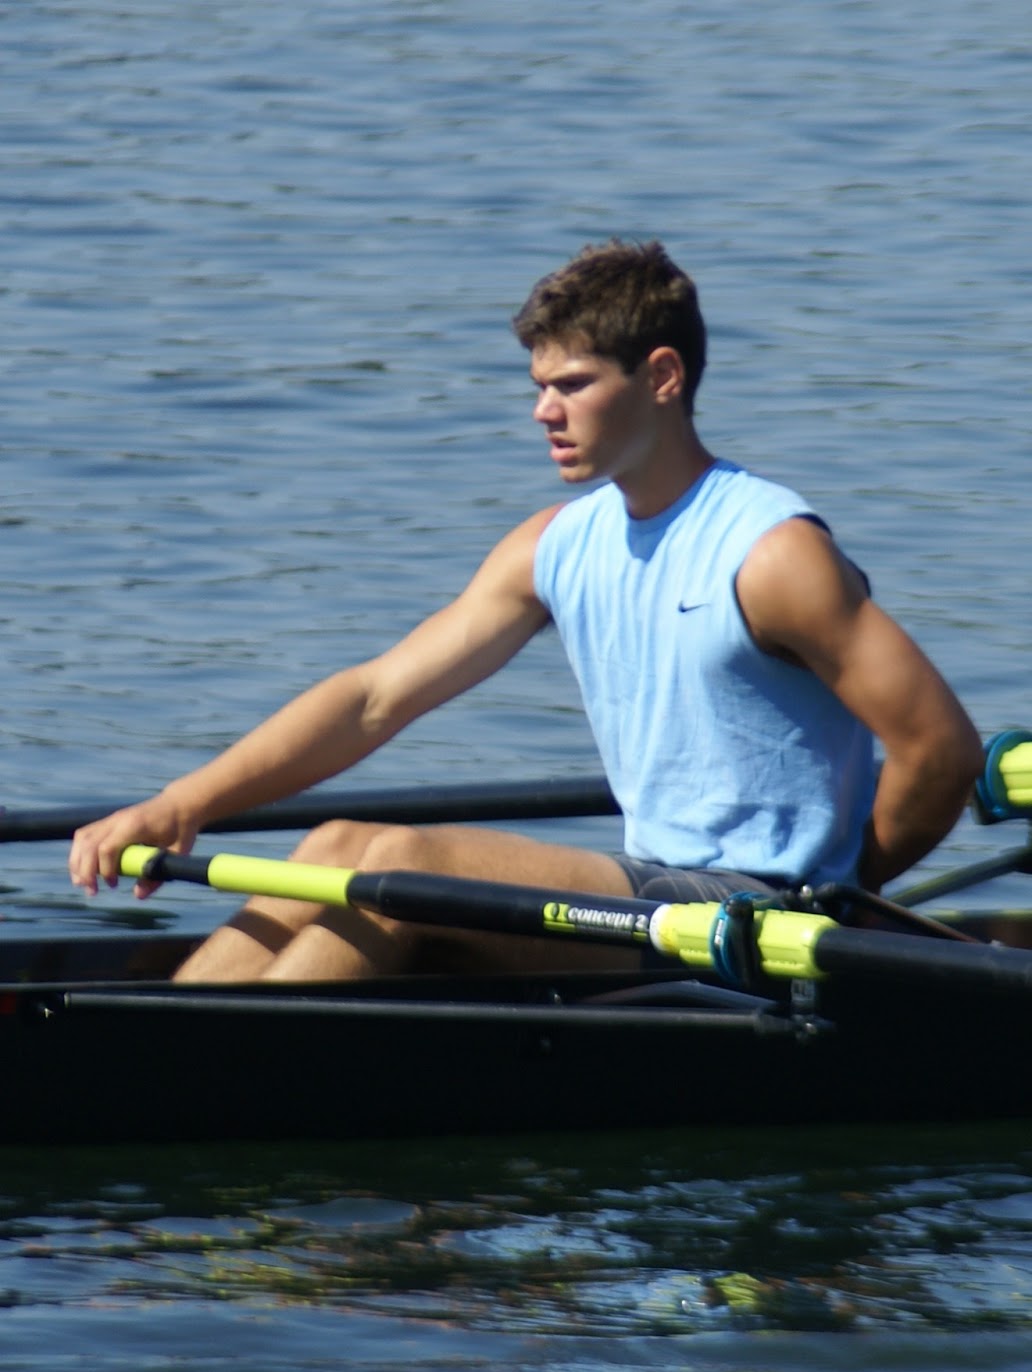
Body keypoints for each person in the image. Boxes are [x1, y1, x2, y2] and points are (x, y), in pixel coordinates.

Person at [68, 239, 984, 983]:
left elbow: (939, 751)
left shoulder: (774, 554)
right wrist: (180, 803)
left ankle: (197, 1079)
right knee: (339, 843)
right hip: (656, 893)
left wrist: (838, 898)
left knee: (407, 868)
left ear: (662, 376)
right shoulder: (555, 545)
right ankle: (163, 1042)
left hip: (755, 915)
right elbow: (374, 698)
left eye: (573, 384)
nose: (545, 411)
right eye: (538, 386)